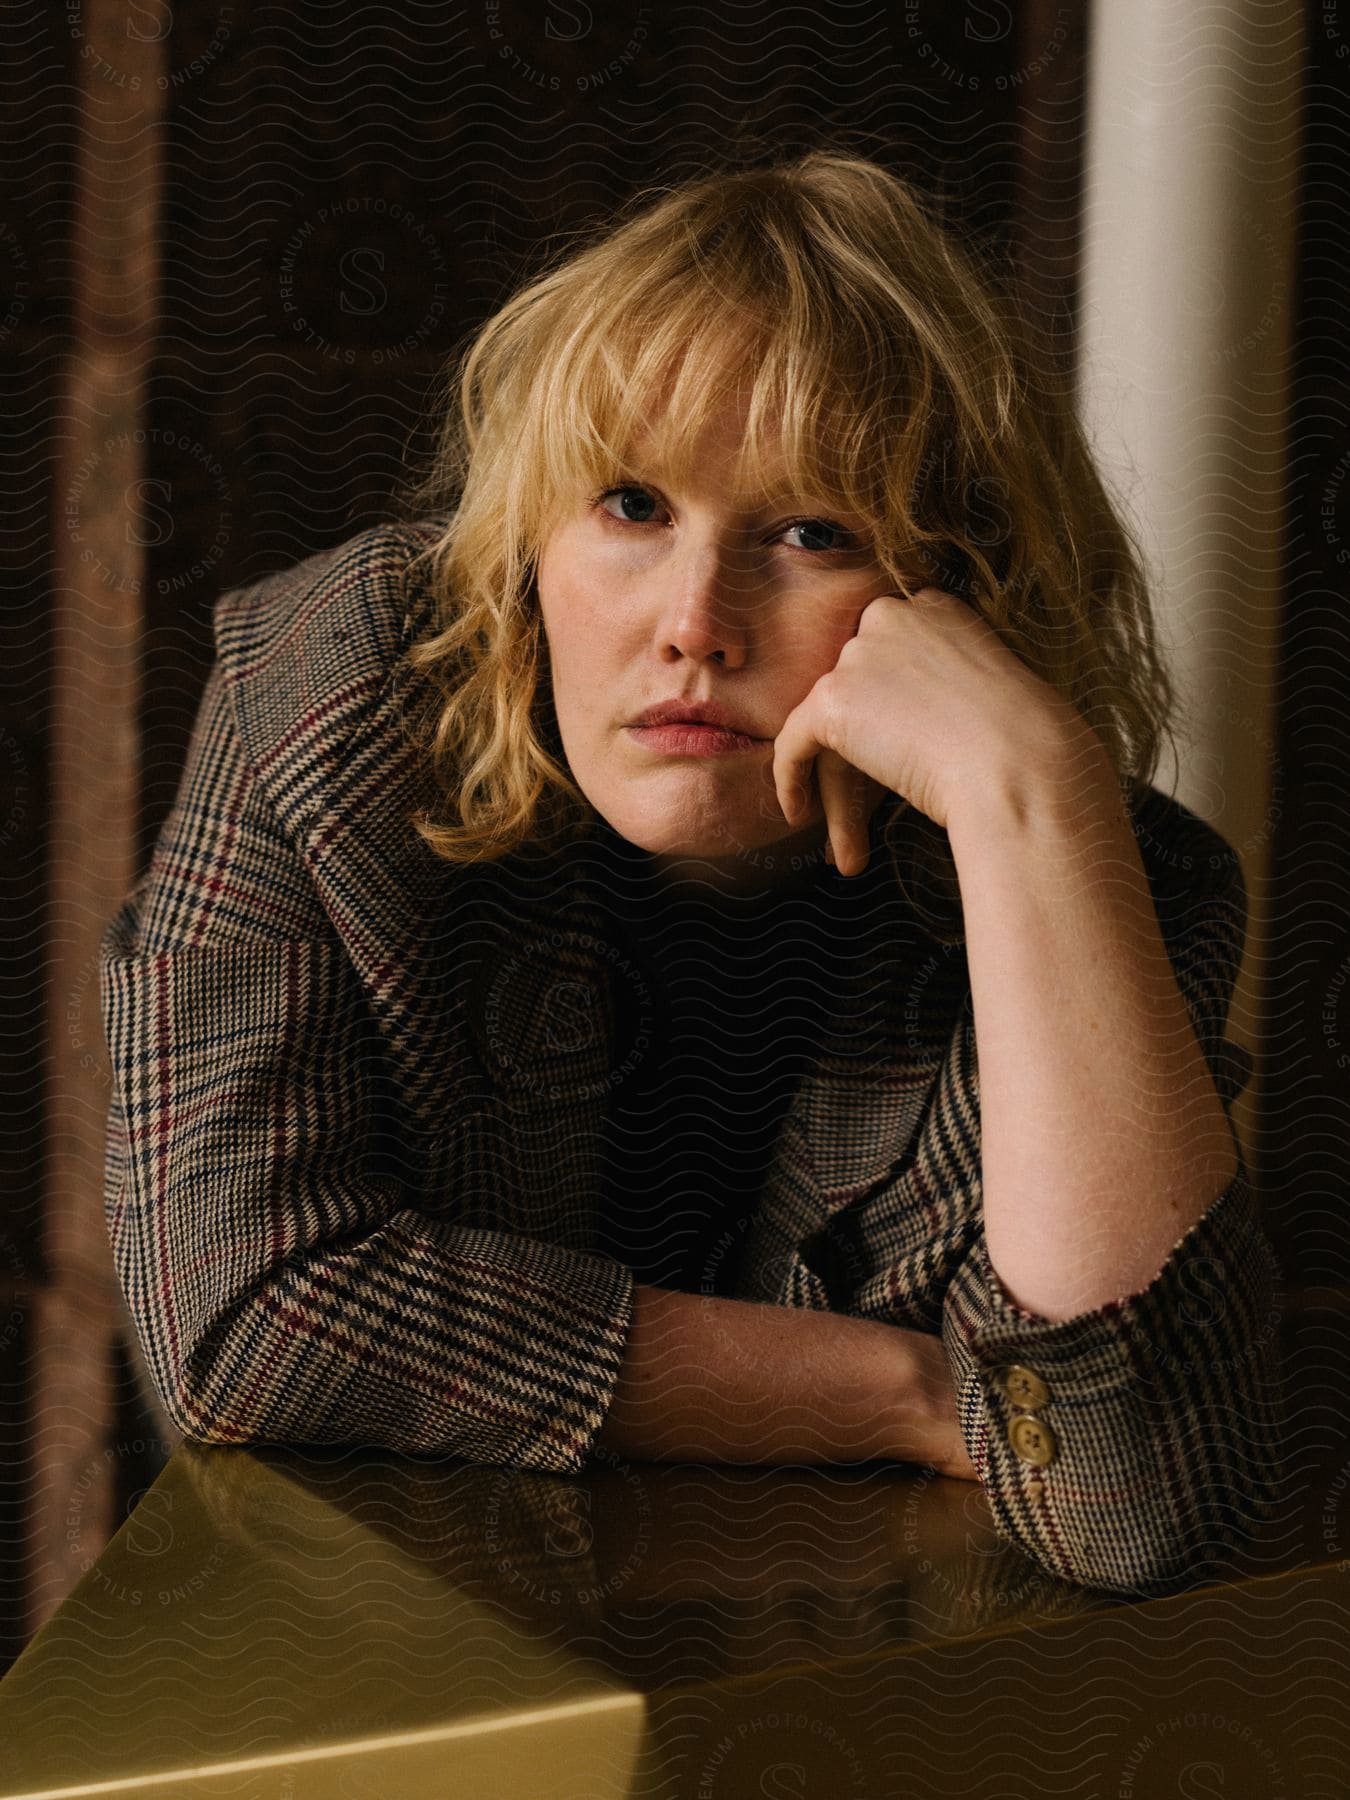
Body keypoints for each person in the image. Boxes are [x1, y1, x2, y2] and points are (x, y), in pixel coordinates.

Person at [99, 148, 1283, 1597]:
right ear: (524, 536)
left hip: (850, 1701)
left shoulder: (1103, 874)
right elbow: (240, 1318)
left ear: (958, 590)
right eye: (630, 506)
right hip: (373, 1648)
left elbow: (1130, 1493)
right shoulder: (340, 698)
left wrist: (1026, 800)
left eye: (810, 532)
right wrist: (910, 1396)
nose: (695, 624)